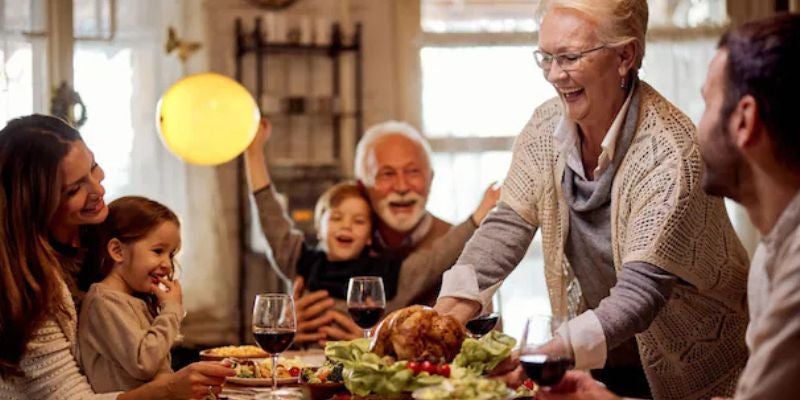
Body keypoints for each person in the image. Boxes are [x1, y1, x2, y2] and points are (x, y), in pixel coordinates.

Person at [433, 0, 749, 399]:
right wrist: (446, 314)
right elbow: (508, 223)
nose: (552, 74)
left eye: (569, 57)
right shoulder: (546, 125)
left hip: (693, 372)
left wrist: (547, 353)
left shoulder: (671, 152)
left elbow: (641, 291)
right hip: (603, 361)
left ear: (625, 56)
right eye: (545, 57)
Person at [537, 12, 800, 400]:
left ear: (744, 121)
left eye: (707, 103)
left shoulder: (795, 272)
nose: (692, 124)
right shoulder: (772, 256)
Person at [0, 114, 234, 399]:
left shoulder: (96, 240)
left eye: (94, 167)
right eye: (75, 189)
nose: (98, 189)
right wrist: (170, 389)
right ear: (37, 204)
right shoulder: (28, 286)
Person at [244, 118, 500, 344]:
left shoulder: (464, 248)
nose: (401, 186)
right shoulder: (332, 250)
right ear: (362, 185)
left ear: (431, 179)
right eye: (386, 174)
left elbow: (488, 341)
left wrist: (380, 344)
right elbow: (275, 228)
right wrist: (289, 328)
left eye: (413, 172)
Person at [79, 196, 185, 392]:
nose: (167, 265)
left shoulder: (133, 299)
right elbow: (143, 363)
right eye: (158, 251)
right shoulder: (105, 301)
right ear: (117, 251)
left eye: (170, 255)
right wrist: (171, 310)